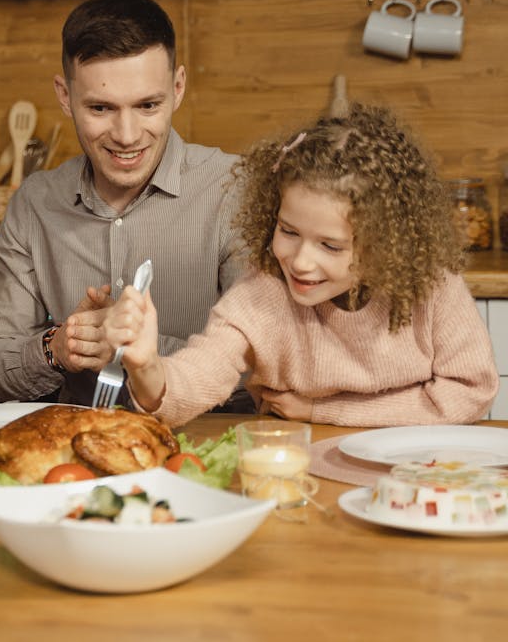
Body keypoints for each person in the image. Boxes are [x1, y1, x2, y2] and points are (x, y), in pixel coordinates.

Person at [104, 103, 499, 427]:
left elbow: (469, 394)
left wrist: (319, 412)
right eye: (288, 231)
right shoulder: (263, 295)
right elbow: (201, 373)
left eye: (330, 245)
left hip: (417, 466)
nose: (301, 262)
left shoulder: (432, 287)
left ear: (386, 244)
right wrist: (148, 369)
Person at [0, 0, 246, 406]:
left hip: (203, 446)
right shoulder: (35, 203)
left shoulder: (234, 190)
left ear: (178, 88)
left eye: (147, 105)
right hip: (71, 451)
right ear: (65, 97)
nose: (126, 134)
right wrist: (59, 348)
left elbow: (268, 365)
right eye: (100, 108)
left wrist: (139, 352)